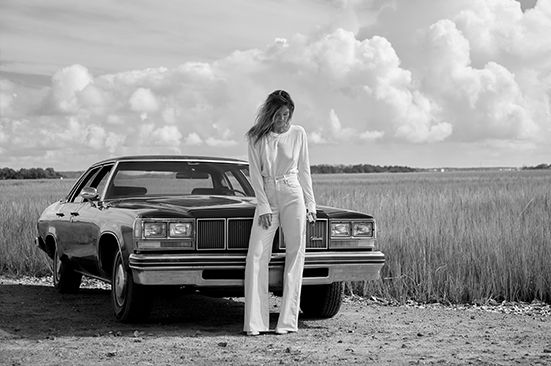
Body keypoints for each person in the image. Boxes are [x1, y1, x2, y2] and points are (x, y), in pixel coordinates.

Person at [244, 90, 316, 336]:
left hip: (292, 193)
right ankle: (255, 323)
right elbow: (255, 173)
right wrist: (262, 205)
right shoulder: (256, 137)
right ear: (269, 114)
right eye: (278, 115)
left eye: (287, 114)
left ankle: (286, 323)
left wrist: (311, 204)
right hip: (268, 195)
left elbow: (304, 169)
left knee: (296, 255)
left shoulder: (299, 133)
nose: (283, 120)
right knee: (256, 256)